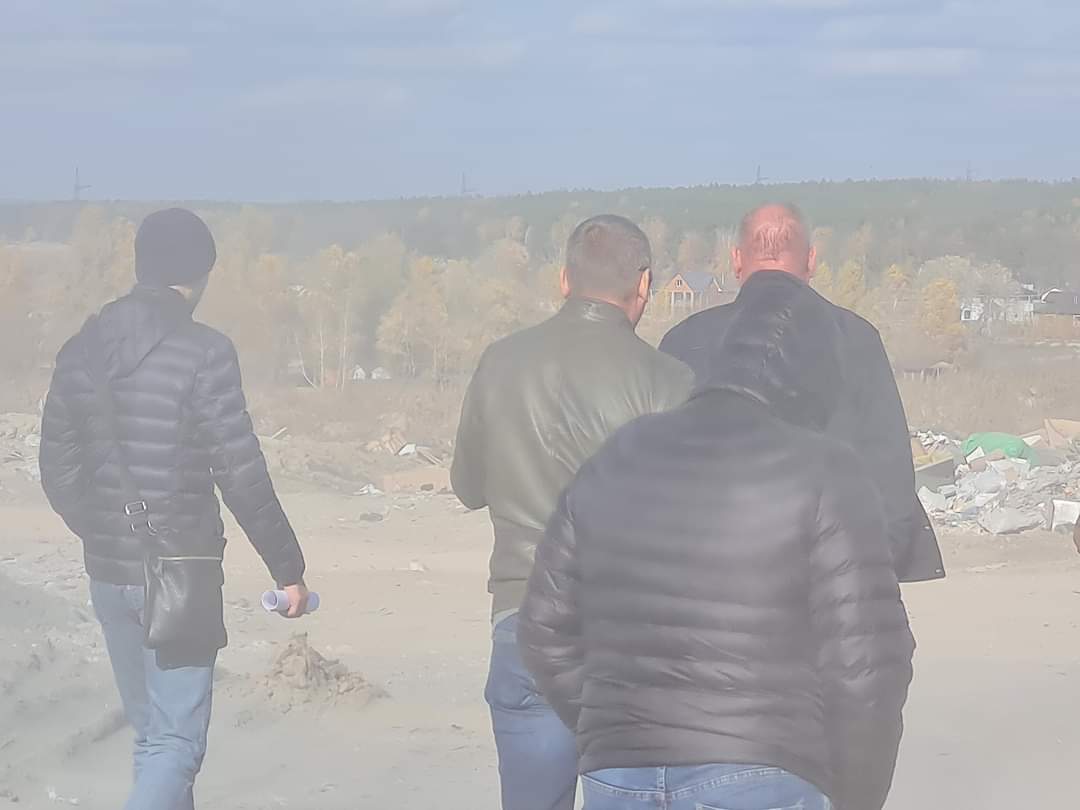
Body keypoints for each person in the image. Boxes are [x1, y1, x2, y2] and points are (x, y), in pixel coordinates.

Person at [519, 270, 916, 810]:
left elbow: (543, 628)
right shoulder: (826, 471)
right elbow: (865, 667)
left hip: (619, 775)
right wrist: (856, 796)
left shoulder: (622, 451)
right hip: (763, 770)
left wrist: (618, 727)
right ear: (818, 378)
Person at [39, 208, 309, 810]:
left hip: (108, 573)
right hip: (181, 571)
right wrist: (287, 569)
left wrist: (104, 531)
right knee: (175, 744)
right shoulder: (205, 352)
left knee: (153, 740)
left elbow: (57, 469)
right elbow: (240, 470)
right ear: (200, 272)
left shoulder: (81, 349)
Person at [451, 214, 693, 810]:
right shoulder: (671, 381)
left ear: (564, 279)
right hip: (629, 630)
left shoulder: (500, 362)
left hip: (525, 615)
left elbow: (467, 486)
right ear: (644, 284)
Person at [660, 203, 945, 584]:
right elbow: (889, 471)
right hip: (831, 578)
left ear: (737, 260)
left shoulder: (685, 340)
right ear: (810, 260)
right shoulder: (857, 338)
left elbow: (661, 479)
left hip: (709, 578)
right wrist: (872, 571)